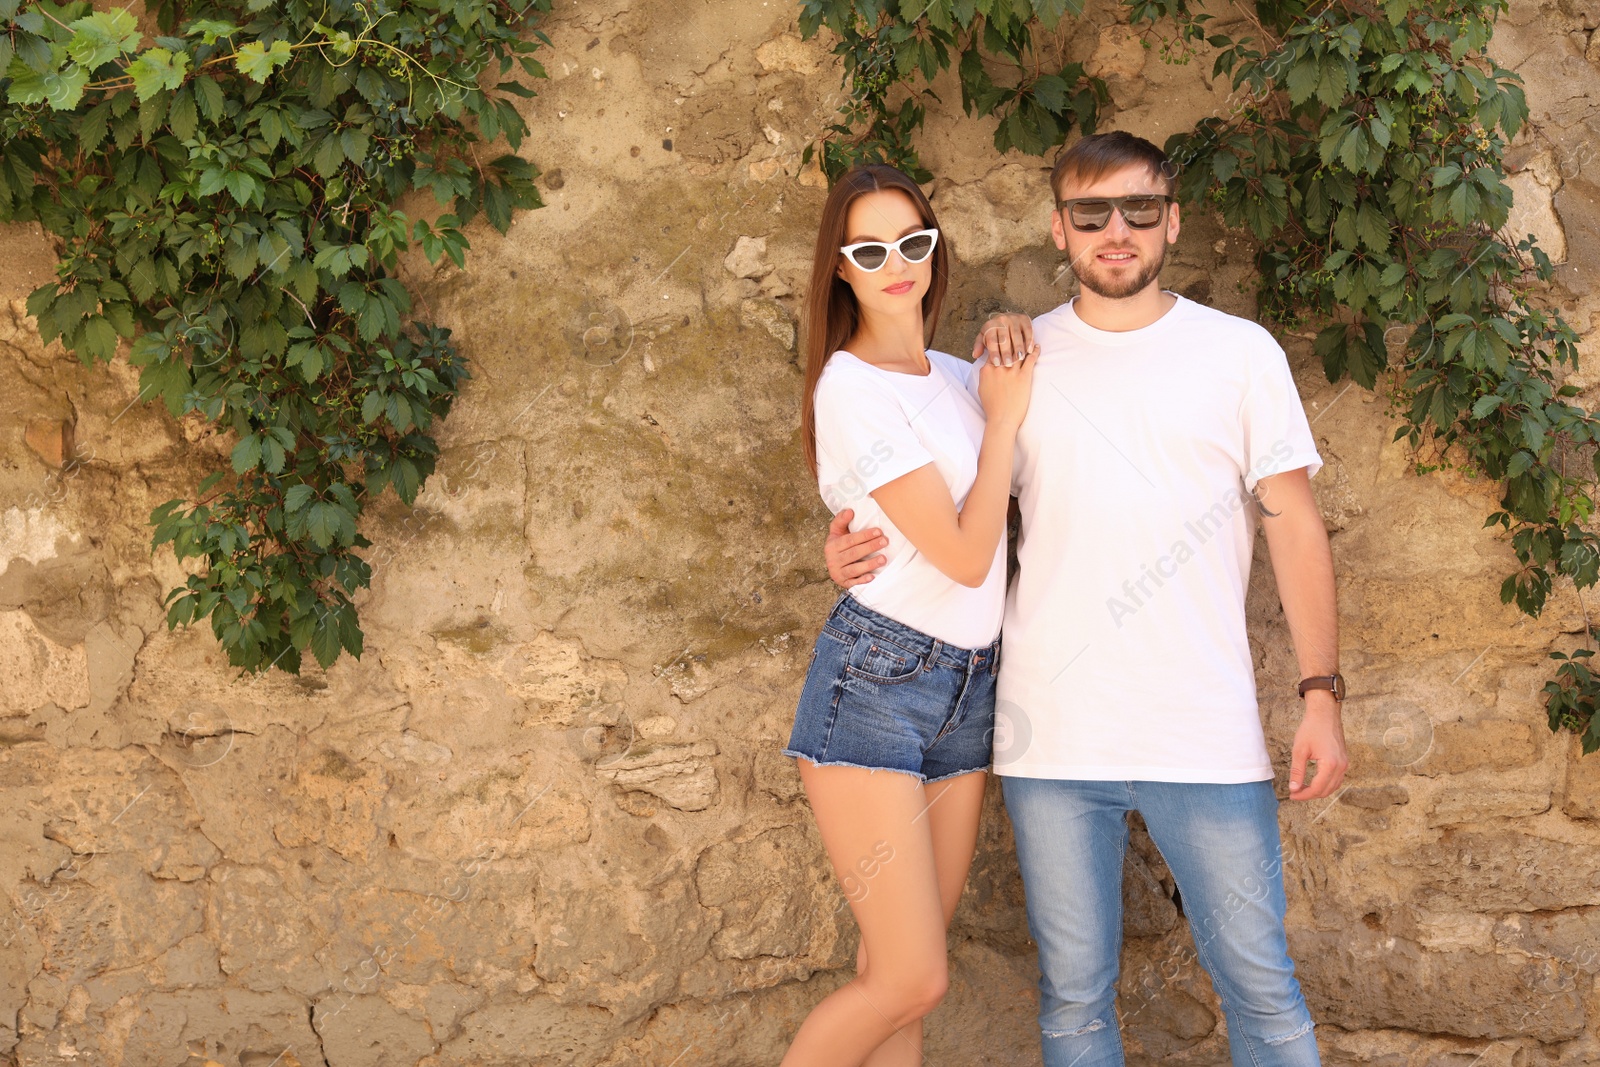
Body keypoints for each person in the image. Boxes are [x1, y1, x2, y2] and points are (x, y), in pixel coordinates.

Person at [824, 131, 1348, 1067]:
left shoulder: (1240, 354)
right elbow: (939, 495)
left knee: (1262, 987)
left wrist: (1321, 692)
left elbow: (1294, 523)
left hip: (1207, 732)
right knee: (1072, 1001)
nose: (1119, 231)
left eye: (1140, 209)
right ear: (1058, 229)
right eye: (1093, 213)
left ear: (1171, 220)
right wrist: (849, 546)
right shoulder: (1007, 367)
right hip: (1050, 736)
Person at [780, 162, 1037, 1067]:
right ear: (840, 268)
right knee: (913, 977)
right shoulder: (853, 388)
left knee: (894, 975)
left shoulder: (964, 376)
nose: (899, 263)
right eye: (871, 249)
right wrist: (1002, 423)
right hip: (879, 682)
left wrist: (1007, 338)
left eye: (915, 242)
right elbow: (968, 558)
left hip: (968, 687)